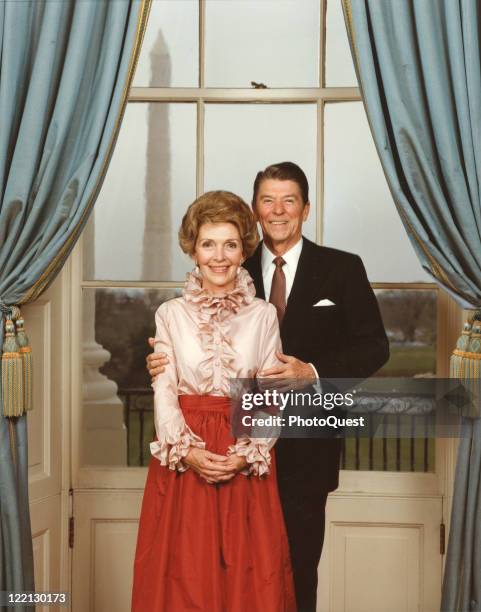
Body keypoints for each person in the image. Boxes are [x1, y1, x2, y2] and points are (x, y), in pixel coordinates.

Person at [147, 162, 389, 612]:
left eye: (289, 200)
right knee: (208, 574)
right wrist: (164, 360)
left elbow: (375, 349)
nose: (278, 210)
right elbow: (192, 344)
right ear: (255, 211)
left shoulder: (341, 267)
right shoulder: (232, 269)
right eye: (267, 200)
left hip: (301, 445)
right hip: (220, 442)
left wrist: (311, 371)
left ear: (306, 207)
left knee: (292, 571)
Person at [132, 190, 296, 612]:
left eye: (230, 244)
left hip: (243, 452)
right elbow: (165, 390)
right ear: (193, 249)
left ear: (244, 250)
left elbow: (268, 394)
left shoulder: (262, 315)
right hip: (186, 455)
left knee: (249, 578)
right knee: (184, 577)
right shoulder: (170, 314)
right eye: (208, 244)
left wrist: (248, 454)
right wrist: (186, 451)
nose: (219, 256)